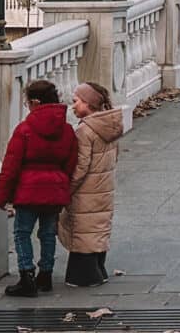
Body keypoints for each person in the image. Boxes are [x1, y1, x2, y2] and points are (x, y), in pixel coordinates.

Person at [0, 79, 78, 296]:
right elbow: (70, 164)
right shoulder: (68, 130)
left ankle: (26, 276)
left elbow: (11, 166)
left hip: (28, 191)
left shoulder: (24, 130)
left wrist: (2, 196)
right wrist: (60, 183)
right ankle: (46, 275)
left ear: (34, 102)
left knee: (22, 233)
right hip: (55, 190)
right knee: (48, 233)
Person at [59, 82, 124, 287]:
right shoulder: (108, 126)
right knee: (97, 229)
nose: (73, 106)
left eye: (76, 101)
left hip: (86, 191)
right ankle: (99, 270)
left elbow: (80, 167)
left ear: (88, 103)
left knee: (83, 231)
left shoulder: (85, 131)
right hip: (103, 189)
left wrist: (66, 191)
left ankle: (85, 276)